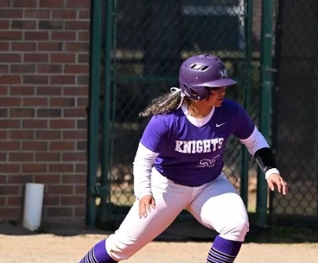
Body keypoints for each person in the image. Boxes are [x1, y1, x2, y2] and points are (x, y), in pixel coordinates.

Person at [78, 54, 288, 263]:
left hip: (210, 184)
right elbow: (143, 160)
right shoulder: (167, 120)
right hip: (167, 187)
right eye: (215, 86)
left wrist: (271, 170)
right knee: (120, 246)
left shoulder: (230, 112)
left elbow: (254, 140)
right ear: (194, 90)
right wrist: (144, 192)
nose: (222, 89)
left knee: (237, 224)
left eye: (223, 84)